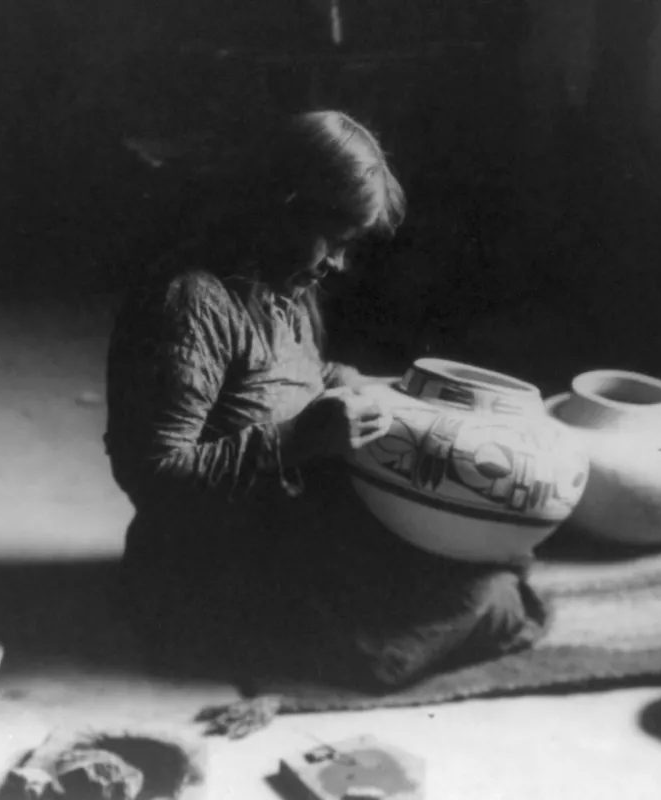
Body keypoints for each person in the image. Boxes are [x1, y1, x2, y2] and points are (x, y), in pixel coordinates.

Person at [104, 110, 548, 690]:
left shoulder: (286, 288)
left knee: (480, 559)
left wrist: (350, 382)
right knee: (481, 601)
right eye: (334, 241)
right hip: (208, 565)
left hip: (286, 530)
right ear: (280, 205)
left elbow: (287, 379)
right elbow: (152, 473)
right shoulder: (189, 304)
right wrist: (297, 440)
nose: (339, 264)